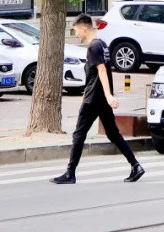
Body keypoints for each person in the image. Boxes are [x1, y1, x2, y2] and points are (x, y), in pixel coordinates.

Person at [51, 15, 144, 185]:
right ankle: (135, 165)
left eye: (76, 30)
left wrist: (109, 96)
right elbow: (102, 71)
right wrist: (107, 96)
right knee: (113, 134)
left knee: (79, 134)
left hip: (93, 98)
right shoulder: (102, 44)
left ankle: (70, 173)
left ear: (84, 28)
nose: (76, 33)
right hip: (100, 98)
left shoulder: (93, 47)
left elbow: (102, 71)